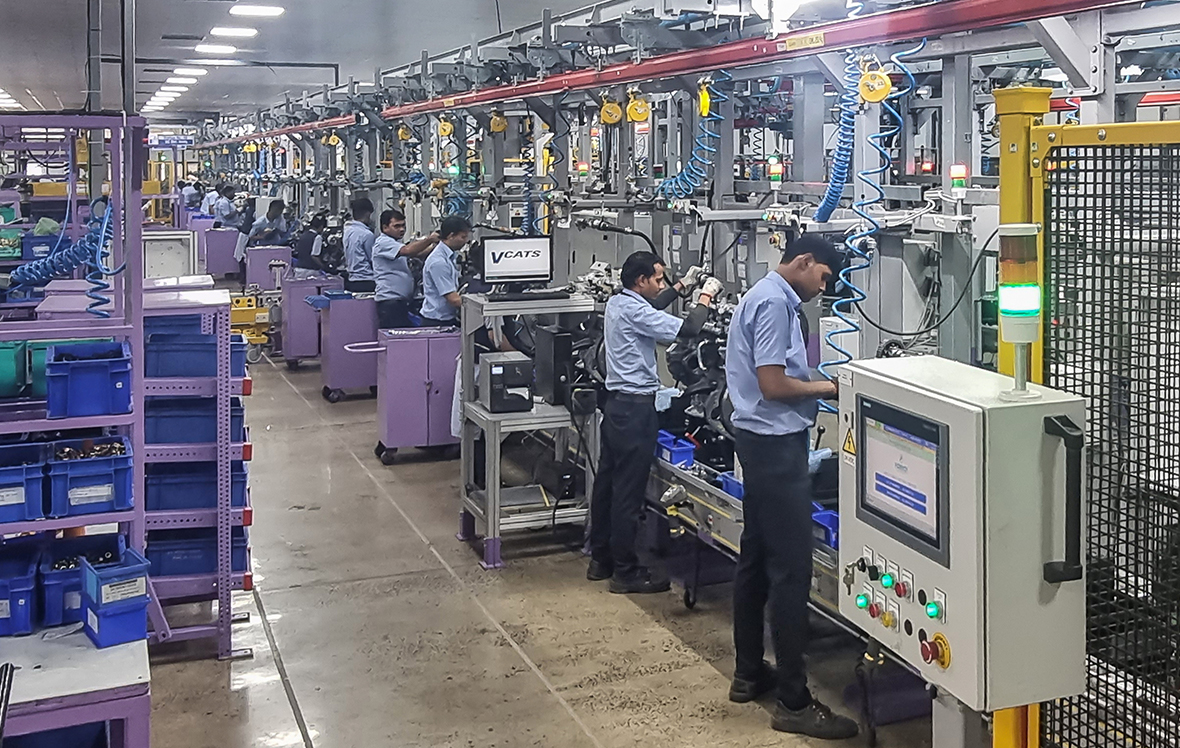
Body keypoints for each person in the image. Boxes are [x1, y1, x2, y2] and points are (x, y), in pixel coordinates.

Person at [723, 234, 857, 740]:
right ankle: (794, 703)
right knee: (791, 571)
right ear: (804, 261)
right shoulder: (776, 304)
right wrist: (832, 387)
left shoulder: (762, 295)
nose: (823, 289)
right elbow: (774, 384)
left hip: (759, 444)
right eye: (823, 277)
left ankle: (748, 672)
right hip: (776, 448)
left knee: (756, 557)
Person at [589, 251, 715, 594]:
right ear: (641, 280)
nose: (661, 285)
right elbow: (689, 329)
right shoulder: (634, 310)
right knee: (628, 493)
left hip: (615, 408)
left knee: (607, 485)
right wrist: (706, 296)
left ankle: (600, 560)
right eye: (657, 279)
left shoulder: (619, 302)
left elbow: (654, 306)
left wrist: (682, 285)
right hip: (635, 412)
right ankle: (625, 573)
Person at [373, 209, 439, 329]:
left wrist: (436, 246)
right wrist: (429, 239)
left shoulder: (395, 244)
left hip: (400, 302)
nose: (402, 229)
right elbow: (408, 250)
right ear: (385, 227)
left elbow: (418, 253)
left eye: (403, 226)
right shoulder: (383, 242)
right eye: (397, 226)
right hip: (390, 303)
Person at [419, 215, 471, 326]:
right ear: (451, 236)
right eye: (463, 237)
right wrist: (480, 306)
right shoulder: (438, 262)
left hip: (447, 318)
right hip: (436, 322)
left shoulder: (450, 257)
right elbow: (453, 300)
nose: (466, 241)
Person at [342, 197, 377, 293]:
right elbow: (373, 259)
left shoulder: (348, 231)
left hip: (352, 279)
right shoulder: (367, 234)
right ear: (368, 214)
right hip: (367, 280)